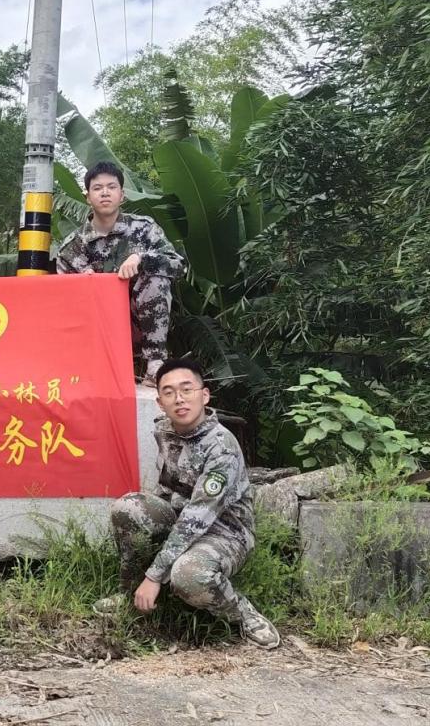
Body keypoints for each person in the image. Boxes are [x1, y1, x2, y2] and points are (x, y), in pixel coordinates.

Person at [94, 357, 281, 650]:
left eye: (186, 389)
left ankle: (241, 612)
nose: (179, 399)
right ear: (160, 403)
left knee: (187, 576)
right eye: (169, 392)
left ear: (204, 395)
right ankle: (129, 593)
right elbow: (167, 488)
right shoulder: (165, 431)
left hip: (225, 533)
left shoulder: (221, 446)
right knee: (128, 508)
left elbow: (197, 516)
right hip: (181, 519)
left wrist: (155, 575)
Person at [56, 161, 186, 385]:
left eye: (111, 187)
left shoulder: (144, 229)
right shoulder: (73, 246)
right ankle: (82, 368)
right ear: (88, 197)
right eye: (97, 188)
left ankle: (155, 364)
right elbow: (63, 302)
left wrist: (142, 259)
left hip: (139, 322)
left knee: (156, 279)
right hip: (96, 329)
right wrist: (82, 285)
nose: (105, 193)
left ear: (122, 195)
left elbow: (178, 266)